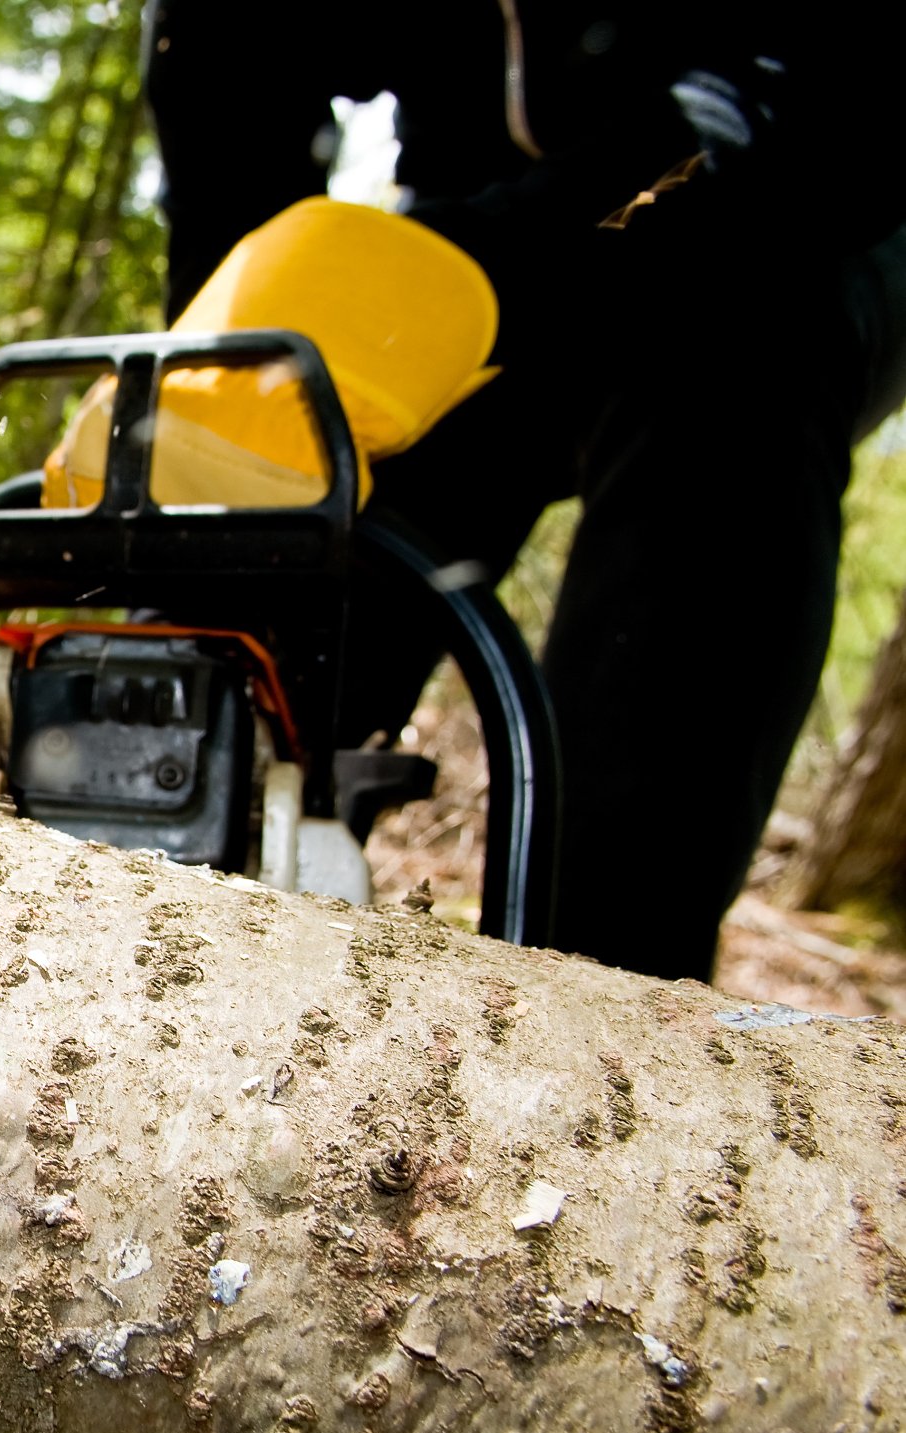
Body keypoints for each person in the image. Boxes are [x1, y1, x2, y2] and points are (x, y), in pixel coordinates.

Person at [142, 0, 906, 980]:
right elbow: (220, 60)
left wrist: (504, 243)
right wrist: (238, 390)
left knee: (728, 368)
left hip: (793, 198)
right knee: (330, 445)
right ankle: (169, 806)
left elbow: (830, 104)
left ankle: (604, 972)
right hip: (483, 197)